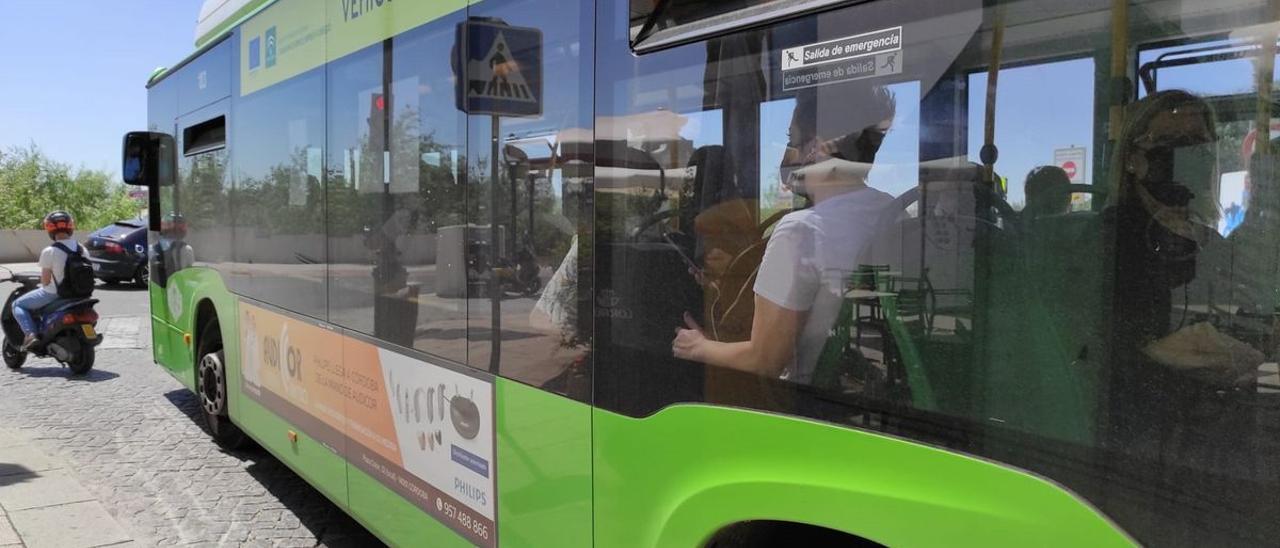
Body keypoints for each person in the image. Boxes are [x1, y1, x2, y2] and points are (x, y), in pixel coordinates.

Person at [672, 84, 897, 382]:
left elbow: (764, 361)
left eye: (792, 139)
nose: (786, 154)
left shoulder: (801, 230)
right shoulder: (888, 209)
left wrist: (698, 348)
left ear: (816, 148)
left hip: (794, 402)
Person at [11, 211, 84, 350]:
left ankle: (30, 335)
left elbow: (45, 281)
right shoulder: (82, 248)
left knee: (17, 305)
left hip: (56, 293)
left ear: (50, 229)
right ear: (70, 227)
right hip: (81, 294)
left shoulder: (50, 251)